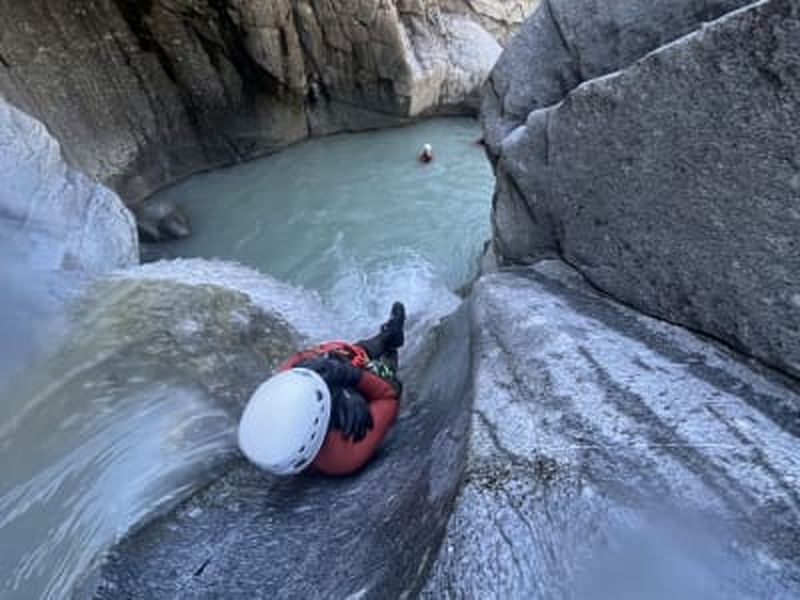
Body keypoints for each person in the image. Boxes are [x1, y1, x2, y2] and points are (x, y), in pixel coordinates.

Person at [238, 302, 406, 476]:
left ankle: (386, 338)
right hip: (356, 408)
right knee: (376, 378)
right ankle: (388, 347)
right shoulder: (343, 456)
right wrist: (354, 380)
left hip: (320, 392)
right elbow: (389, 395)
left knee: (332, 360)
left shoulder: (284, 383)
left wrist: (334, 373)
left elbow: (308, 357)